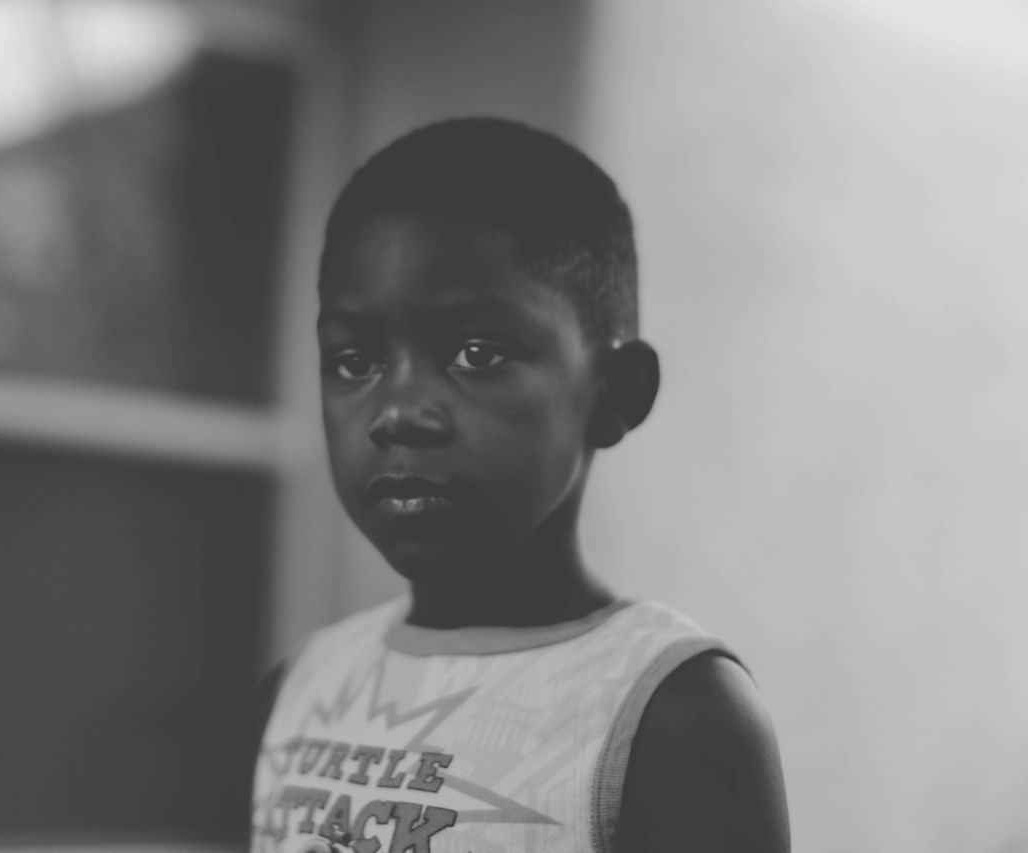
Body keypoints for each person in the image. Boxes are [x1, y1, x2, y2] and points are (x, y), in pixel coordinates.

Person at [247, 117, 790, 853]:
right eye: (353, 360)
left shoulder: (671, 715)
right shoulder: (293, 693)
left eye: (477, 352)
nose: (399, 411)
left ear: (614, 393)